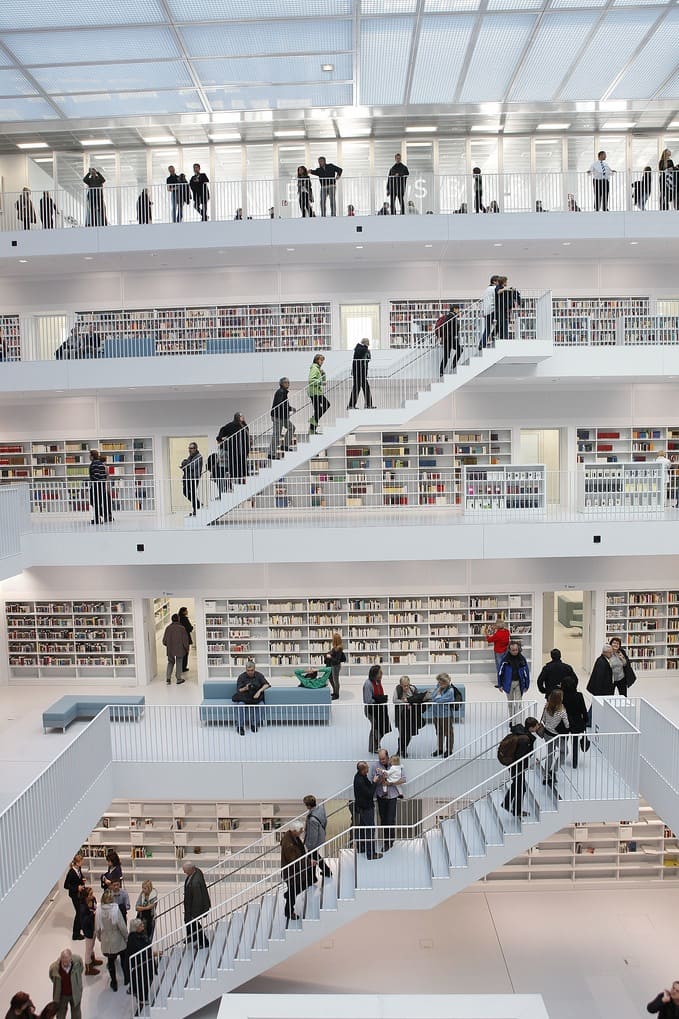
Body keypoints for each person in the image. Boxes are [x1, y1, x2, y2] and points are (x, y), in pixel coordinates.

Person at [500, 717, 542, 817]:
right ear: (531, 728)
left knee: (517, 784)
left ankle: (506, 804)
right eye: (536, 726)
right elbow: (521, 755)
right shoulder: (525, 739)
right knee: (521, 788)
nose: (537, 727)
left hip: (513, 764)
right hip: (517, 765)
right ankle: (517, 811)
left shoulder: (520, 732)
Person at [369, 748, 405, 852]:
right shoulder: (375, 766)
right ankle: (387, 840)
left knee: (390, 818)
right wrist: (381, 779)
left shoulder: (395, 764)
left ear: (388, 756)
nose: (382, 761)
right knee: (383, 819)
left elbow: (403, 779)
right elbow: (373, 780)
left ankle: (389, 841)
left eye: (383, 759)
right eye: (380, 759)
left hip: (392, 796)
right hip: (381, 796)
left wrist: (390, 783)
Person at [280, 821, 314, 924]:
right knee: (292, 893)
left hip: (295, 872)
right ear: (294, 831)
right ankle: (289, 912)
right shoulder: (289, 844)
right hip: (292, 873)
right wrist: (309, 862)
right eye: (300, 831)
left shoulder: (292, 836)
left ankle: (288, 897)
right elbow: (295, 860)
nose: (301, 832)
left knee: (305, 883)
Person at [95, 890, 128, 990]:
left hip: (106, 940)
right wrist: (126, 937)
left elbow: (97, 928)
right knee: (123, 959)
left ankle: (114, 982)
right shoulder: (115, 909)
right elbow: (122, 926)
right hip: (117, 939)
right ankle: (126, 978)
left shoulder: (99, 911)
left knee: (111, 962)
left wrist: (100, 938)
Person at [233, 660, 271, 735]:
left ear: (254, 669)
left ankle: (254, 724)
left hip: (256, 697)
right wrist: (246, 688)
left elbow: (267, 685)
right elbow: (239, 690)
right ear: (246, 669)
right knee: (240, 705)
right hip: (244, 697)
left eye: (252, 670)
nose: (250, 672)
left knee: (261, 706)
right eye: (248, 670)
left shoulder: (259, 675)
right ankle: (240, 726)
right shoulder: (241, 677)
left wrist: (259, 691)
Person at [540, 689, 569, 786]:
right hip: (557, 736)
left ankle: (546, 775)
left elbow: (543, 720)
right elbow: (567, 725)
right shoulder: (562, 711)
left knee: (549, 754)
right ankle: (554, 769)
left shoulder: (547, 706)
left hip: (547, 734)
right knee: (565, 751)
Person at [559, 673, 588, 769]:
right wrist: (585, 721)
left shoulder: (561, 696)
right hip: (577, 723)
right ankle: (575, 763)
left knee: (563, 742)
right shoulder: (579, 695)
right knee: (575, 743)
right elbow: (583, 710)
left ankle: (561, 760)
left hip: (564, 723)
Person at [352, 761, 380, 860]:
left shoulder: (359, 777)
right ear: (362, 770)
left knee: (363, 829)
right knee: (370, 830)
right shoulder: (360, 780)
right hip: (366, 808)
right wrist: (375, 782)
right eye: (366, 769)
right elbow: (370, 793)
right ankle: (371, 853)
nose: (368, 770)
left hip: (362, 807)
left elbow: (368, 787)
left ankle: (362, 848)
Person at [303, 794, 332, 878]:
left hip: (315, 841)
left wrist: (310, 846)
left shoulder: (312, 820)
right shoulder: (320, 808)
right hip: (321, 835)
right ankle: (315, 876)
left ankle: (316, 876)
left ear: (308, 806)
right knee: (314, 857)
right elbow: (325, 821)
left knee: (312, 857)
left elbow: (313, 835)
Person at [363, 664, 390, 754]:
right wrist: (380, 699)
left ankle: (375, 745)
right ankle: (374, 747)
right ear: (375, 674)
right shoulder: (368, 684)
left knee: (380, 727)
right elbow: (368, 700)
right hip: (372, 710)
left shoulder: (378, 682)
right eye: (380, 672)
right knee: (376, 728)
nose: (382, 673)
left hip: (379, 709)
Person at [182, 861, 210, 948]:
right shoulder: (197, 871)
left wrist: (194, 914)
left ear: (191, 870)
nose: (184, 872)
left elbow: (197, 900)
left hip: (193, 908)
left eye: (185, 871)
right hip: (190, 905)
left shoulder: (195, 883)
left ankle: (204, 942)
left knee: (194, 924)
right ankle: (192, 937)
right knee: (189, 922)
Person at [393, 675, 423, 757]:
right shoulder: (397, 689)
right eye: (404, 686)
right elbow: (395, 700)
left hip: (412, 715)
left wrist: (409, 700)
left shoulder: (412, 689)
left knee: (409, 734)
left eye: (407, 685)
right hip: (401, 715)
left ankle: (404, 749)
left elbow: (418, 698)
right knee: (402, 734)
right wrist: (406, 702)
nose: (406, 687)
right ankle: (399, 751)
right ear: (400, 685)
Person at [48, 950, 83, 1019]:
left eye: (67, 961)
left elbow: (81, 970)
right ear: (61, 959)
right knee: (60, 1014)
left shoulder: (77, 962)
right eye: (63, 961)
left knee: (76, 1013)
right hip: (62, 995)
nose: (65, 964)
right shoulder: (54, 968)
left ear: (71, 959)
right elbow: (52, 978)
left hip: (75, 993)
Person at [217, 412, 250, 484]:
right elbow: (223, 430)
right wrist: (220, 438)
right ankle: (235, 481)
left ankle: (243, 480)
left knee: (243, 465)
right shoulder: (231, 425)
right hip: (234, 450)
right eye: (241, 416)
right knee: (235, 465)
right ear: (237, 417)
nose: (243, 417)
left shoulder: (244, 425)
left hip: (243, 450)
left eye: (243, 416)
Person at [126, 918, 152, 1008]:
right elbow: (140, 951)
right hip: (139, 965)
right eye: (141, 925)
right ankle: (142, 999)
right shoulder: (133, 939)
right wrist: (153, 954)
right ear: (136, 928)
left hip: (143, 963)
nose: (143, 926)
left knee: (144, 981)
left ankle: (141, 996)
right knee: (142, 982)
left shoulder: (139, 936)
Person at [430, 672, 456, 758]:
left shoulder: (450, 690)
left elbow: (438, 700)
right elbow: (433, 697)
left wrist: (437, 695)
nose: (439, 684)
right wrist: (438, 691)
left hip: (446, 715)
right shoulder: (438, 687)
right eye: (439, 682)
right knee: (439, 732)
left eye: (441, 682)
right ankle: (440, 749)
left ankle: (449, 750)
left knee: (448, 733)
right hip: (436, 714)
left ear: (446, 682)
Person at [497, 641, 530, 708]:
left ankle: (518, 717)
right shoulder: (505, 660)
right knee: (510, 703)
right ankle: (511, 718)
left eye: (516, 650)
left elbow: (526, 672)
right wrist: (500, 685)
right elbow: (500, 673)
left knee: (519, 703)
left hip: (519, 683)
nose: (515, 652)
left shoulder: (522, 659)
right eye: (513, 650)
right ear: (509, 650)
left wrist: (527, 685)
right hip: (508, 684)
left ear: (518, 649)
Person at [269, 377, 296, 459]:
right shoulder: (280, 392)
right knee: (276, 435)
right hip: (278, 417)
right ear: (281, 384)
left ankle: (285, 445)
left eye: (288, 382)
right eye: (285, 382)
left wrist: (290, 408)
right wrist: (290, 409)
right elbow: (281, 405)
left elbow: (284, 405)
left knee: (291, 428)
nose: (288, 384)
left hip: (283, 417)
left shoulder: (283, 392)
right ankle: (271, 454)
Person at [78, 886, 101, 975]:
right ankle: (88, 968)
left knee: (92, 945)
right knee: (88, 948)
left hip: (94, 926)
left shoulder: (93, 900)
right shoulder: (83, 907)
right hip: (88, 930)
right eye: (90, 894)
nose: (93, 895)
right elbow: (84, 921)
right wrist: (93, 914)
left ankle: (92, 960)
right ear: (86, 896)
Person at [435, 304, 461, 377]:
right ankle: (453, 364)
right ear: (455, 309)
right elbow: (453, 327)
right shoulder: (451, 316)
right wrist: (455, 332)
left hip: (447, 339)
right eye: (458, 309)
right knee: (460, 349)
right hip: (450, 338)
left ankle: (441, 371)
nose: (459, 311)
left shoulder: (448, 316)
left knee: (446, 356)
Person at [63, 855, 86, 941]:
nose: (82, 863)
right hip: (75, 895)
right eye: (81, 861)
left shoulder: (79, 869)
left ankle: (80, 927)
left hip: (80, 894)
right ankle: (75, 934)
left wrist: (82, 880)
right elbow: (66, 885)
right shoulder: (71, 873)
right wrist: (77, 888)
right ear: (77, 862)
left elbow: (79, 877)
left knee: (82, 911)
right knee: (79, 913)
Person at [162, 612, 188, 685]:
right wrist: (186, 648)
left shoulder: (168, 628)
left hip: (170, 649)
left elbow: (164, 641)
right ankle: (178, 678)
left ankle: (168, 678)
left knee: (170, 662)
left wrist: (168, 645)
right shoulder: (182, 628)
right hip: (180, 649)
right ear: (178, 619)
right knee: (179, 662)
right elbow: (185, 640)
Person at [348, 337, 373, 409]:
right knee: (364, 388)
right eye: (367, 345)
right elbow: (367, 359)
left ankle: (351, 405)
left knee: (357, 388)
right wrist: (367, 350)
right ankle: (368, 405)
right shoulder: (362, 349)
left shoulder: (358, 348)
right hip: (360, 373)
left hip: (358, 373)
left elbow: (367, 359)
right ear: (366, 344)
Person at [308, 353, 329, 435]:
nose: (322, 362)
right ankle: (312, 425)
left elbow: (323, 381)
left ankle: (312, 428)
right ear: (317, 360)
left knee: (318, 410)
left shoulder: (318, 369)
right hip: (315, 392)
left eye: (323, 360)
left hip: (317, 392)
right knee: (326, 405)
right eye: (321, 360)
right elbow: (311, 380)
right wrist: (321, 382)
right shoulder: (314, 368)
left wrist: (323, 374)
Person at [180, 441, 203, 516]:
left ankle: (196, 509)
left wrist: (185, 464)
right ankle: (198, 505)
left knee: (192, 494)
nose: (190, 450)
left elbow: (191, 467)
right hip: (188, 478)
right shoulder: (190, 457)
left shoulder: (199, 457)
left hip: (194, 478)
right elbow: (186, 466)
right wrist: (185, 464)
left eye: (192, 448)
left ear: (196, 448)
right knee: (185, 492)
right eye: (189, 448)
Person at [480, 274, 499, 350]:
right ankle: (493, 337)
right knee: (501, 324)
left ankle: (482, 344)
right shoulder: (494, 288)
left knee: (487, 329)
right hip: (492, 310)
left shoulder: (486, 289)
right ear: (494, 281)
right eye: (498, 281)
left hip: (486, 311)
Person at [87, 449, 107, 525]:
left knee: (94, 502)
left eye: (90, 455)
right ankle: (99, 517)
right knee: (99, 502)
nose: (89, 457)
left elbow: (96, 476)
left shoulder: (94, 464)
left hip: (96, 486)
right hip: (102, 486)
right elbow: (104, 475)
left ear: (92, 456)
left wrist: (95, 482)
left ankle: (97, 518)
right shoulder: (101, 464)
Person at [324, 632, 346, 700]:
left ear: (335, 640)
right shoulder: (335, 648)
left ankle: (337, 694)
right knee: (330, 678)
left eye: (333, 639)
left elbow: (337, 660)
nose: (332, 640)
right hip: (333, 665)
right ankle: (334, 691)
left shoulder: (339, 648)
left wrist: (330, 656)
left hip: (335, 666)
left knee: (335, 680)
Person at [179, 605, 193, 674]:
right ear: (183, 612)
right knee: (186, 653)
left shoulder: (179, 619)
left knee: (181, 653)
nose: (187, 611)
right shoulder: (185, 619)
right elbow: (189, 628)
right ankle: (183, 667)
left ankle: (180, 667)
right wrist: (192, 627)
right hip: (186, 638)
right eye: (186, 610)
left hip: (179, 638)